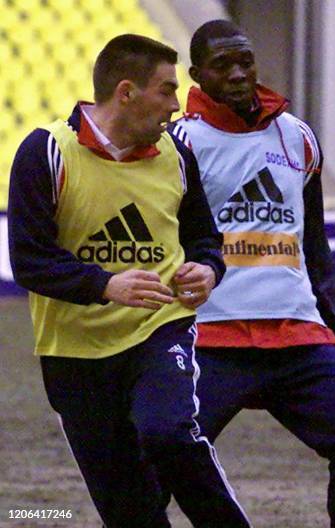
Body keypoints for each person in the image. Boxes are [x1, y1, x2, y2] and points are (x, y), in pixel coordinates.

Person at [8, 34, 251, 527]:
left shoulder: (176, 156)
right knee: (129, 511)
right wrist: (105, 284)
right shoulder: (47, 153)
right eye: (166, 91)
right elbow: (29, 261)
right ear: (126, 92)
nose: (175, 105)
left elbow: (205, 238)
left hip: (158, 331)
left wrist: (208, 269)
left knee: (169, 433)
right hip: (73, 351)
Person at [168, 20, 335, 527]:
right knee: (156, 460)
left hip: (296, 336)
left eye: (246, 61)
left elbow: (313, 238)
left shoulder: (298, 137)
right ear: (198, 76)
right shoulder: (180, 143)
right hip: (210, 338)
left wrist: (331, 314)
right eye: (223, 65)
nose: (240, 73)